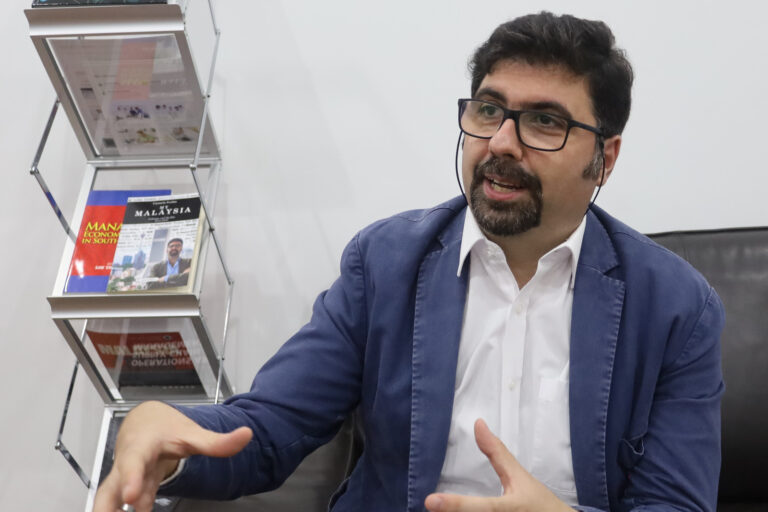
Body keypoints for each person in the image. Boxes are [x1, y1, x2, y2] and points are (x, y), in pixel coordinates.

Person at [94, 12, 724, 512]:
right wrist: (167, 437)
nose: (502, 142)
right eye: (488, 110)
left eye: (544, 122)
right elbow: (270, 425)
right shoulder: (386, 263)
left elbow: (675, 502)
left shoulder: (675, 307)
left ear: (604, 159)